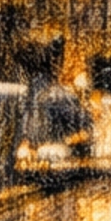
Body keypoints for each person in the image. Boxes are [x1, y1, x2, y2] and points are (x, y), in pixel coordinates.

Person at [16, 28, 92, 157]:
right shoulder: (59, 96)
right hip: (46, 159)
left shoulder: (22, 94)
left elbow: (86, 131)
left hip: (39, 157)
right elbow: (87, 130)